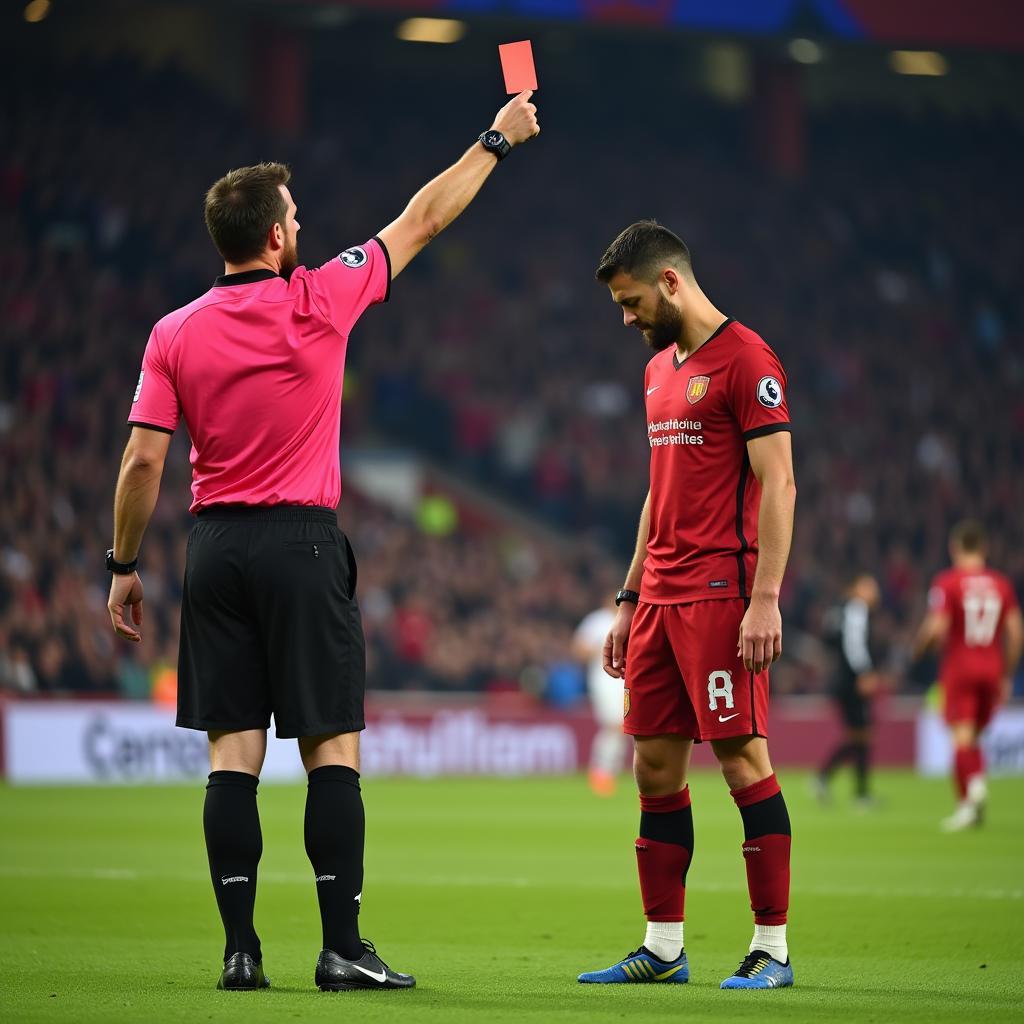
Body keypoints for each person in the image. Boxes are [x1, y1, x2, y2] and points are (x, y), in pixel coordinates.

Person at [105, 92, 540, 992]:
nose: (303, 226)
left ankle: (239, 951)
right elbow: (422, 217)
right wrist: (497, 138)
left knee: (233, 755)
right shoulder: (320, 297)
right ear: (273, 238)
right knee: (328, 750)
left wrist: (121, 566)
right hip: (303, 542)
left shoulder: (171, 332)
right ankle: (341, 947)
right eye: (294, 217)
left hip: (214, 549)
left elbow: (144, 459)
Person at [577, 221, 797, 991]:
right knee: (653, 767)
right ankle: (663, 947)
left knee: (741, 759)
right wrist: (627, 596)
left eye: (632, 302)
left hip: (719, 593)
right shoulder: (658, 372)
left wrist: (764, 597)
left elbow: (780, 482)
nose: (627, 318)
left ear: (670, 281)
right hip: (660, 597)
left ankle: (772, 948)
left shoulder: (746, 359)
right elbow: (657, 491)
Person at [913, 520, 1022, 831]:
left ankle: (972, 792)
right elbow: (1015, 632)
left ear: (955, 548)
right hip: (992, 667)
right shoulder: (1001, 584)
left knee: (960, 737)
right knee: (972, 737)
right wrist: (1006, 672)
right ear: (984, 549)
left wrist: (918, 649)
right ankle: (969, 807)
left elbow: (938, 625)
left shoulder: (948, 582)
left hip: (960, 667)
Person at [814, 574, 883, 807]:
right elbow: (854, 645)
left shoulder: (840, 610)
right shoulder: (856, 609)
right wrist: (864, 672)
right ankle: (858, 793)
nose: (875, 593)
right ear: (857, 589)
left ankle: (827, 780)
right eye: (870, 587)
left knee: (859, 736)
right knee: (861, 735)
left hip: (842, 680)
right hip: (852, 681)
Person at [574, 597, 626, 796]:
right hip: (604, 680)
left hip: (626, 680)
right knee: (614, 725)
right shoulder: (597, 621)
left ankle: (607, 771)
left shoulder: (631, 619)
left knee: (624, 727)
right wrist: (600, 650)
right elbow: (579, 649)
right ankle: (601, 772)